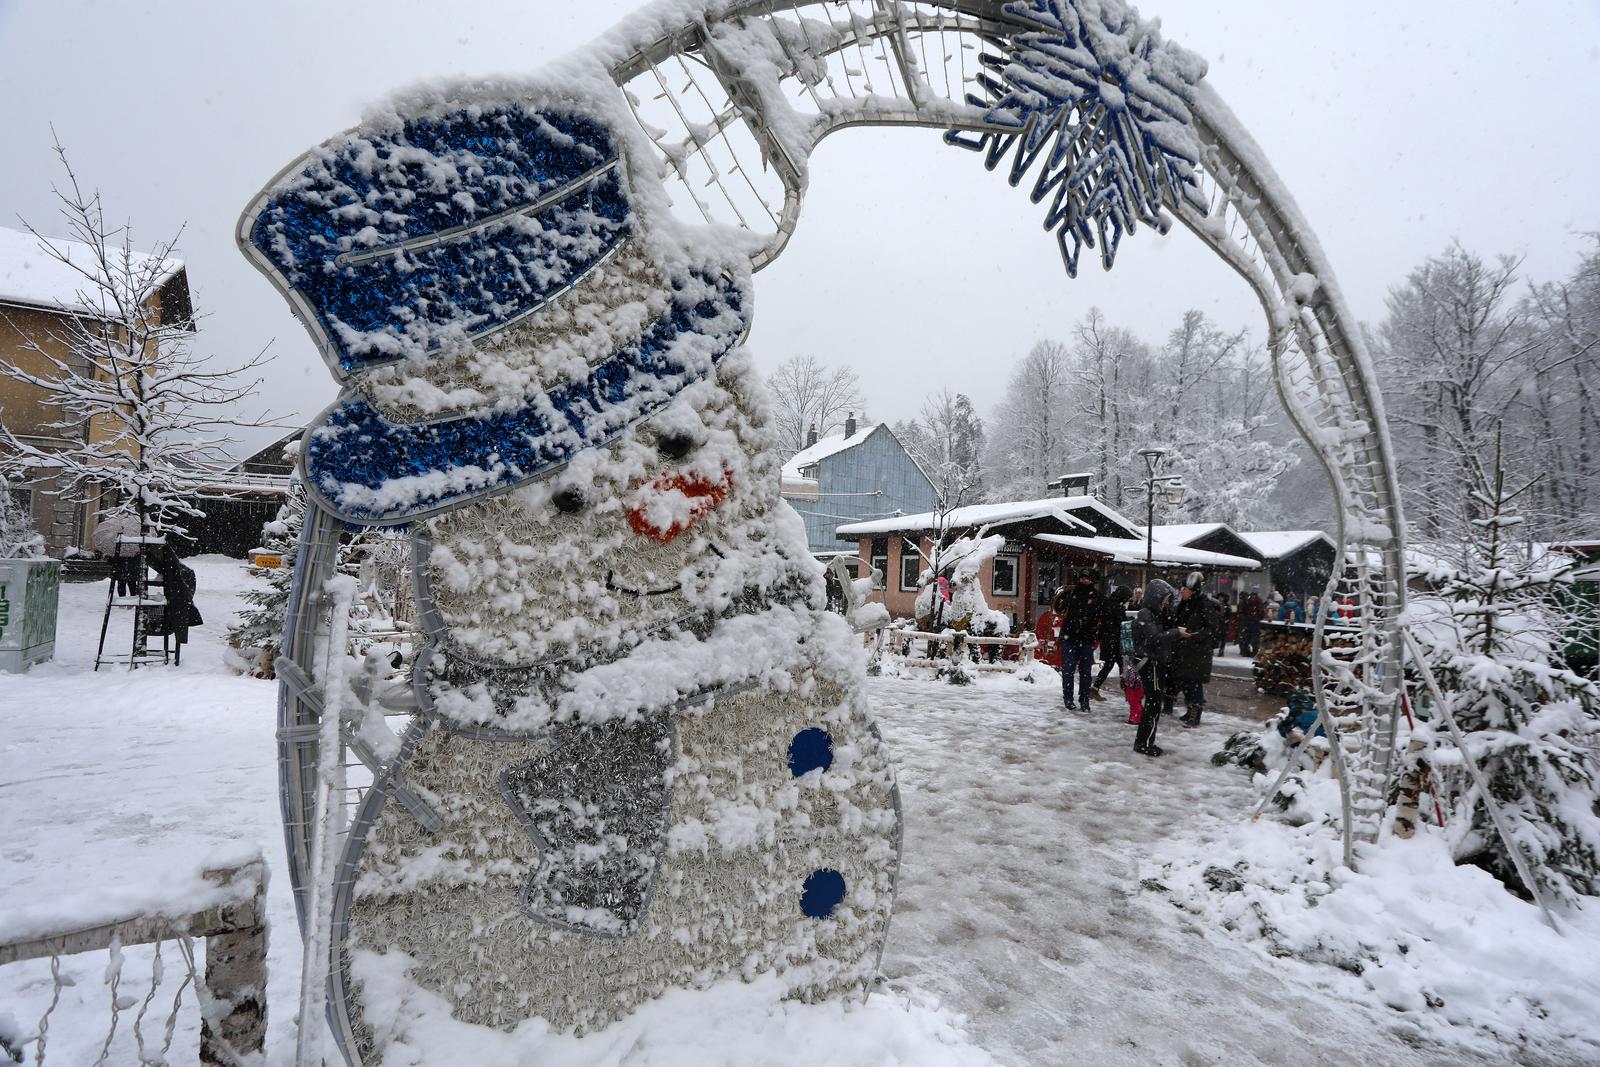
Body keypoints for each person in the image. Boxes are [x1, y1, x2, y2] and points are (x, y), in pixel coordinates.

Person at [1131, 578, 1180, 756]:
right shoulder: (1146, 614)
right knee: (1153, 703)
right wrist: (1177, 633)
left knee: (1154, 703)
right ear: (1157, 597)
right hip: (1150, 664)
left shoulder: (1156, 614)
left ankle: (1146, 741)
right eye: (1166, 599)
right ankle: (1143, 743)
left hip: (1155, 663)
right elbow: (1155, 638)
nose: (1168, 603)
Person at [1170, 571, 1221, 727]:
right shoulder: (1184, 605)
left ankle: (1195, 715)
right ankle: (1190, 711)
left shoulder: (1204, 605)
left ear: (1192, 590)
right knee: (1186, 683)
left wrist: (1193, 636)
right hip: (1184, 651)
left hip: (1198, 653)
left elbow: (1212, 629)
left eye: (1184, 588)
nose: (1181, 591)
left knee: (1194, 684)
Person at [1052, 569, 1103, 714]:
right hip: (1070, 638)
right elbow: (1058, 607)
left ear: (1092, 580)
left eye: (1087, 578)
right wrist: (1064, 595)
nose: (1084, 581)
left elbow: (1103, 616)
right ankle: (1068, 698)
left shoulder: (1097, 597)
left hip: (1086, 639)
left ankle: (1084, 699)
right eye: (1082, 578)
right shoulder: (1072, 594)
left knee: (1085, 672)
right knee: (1068, 670)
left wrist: (1097, 634)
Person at [1091, 585, 1133, 699]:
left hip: (1108, 640)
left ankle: (1095, 688)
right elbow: (1122, 624)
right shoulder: (1117, 607)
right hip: (1115, 641)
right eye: (1127, 598)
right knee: (1122, 665)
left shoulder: (1108, 603)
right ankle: (1128, 691)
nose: (1127, 601)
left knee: (1112, 665)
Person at [1238, 590, 1266, 656]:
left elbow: (1241, 612)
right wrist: (1259, 618)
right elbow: (1261, 612)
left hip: (1246, 622)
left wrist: (1245, 619)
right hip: (1255, 622)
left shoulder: (1246, 601)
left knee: (1245, 637)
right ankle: (1254, 652)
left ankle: (1245, 652)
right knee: (1255, 638)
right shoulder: (1259, 600)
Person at [1214, 590, 1234, 655]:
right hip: (1218, 623)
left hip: (1222, 624)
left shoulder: (1226, 606)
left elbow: (1229, 614)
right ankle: (1216, 649)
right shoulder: (1216, 604)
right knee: (1216, 637)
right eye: (1220, 597)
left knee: (1222, 638)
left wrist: (1225, 620)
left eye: (1222, 597)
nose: (1221, 598)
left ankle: (1221, 651)